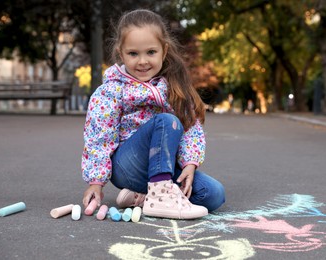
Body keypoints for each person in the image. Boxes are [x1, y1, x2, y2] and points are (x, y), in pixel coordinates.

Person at [81, 9, 225, 219]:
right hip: (127, 165)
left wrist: (190, 164)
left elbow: (190, 128)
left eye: (151, 52)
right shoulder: (112, 90)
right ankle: (160, 196)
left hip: (162, 167)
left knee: (213, 195)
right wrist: (96, 182)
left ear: (164, 51)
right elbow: (99, 138)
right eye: (133, 53)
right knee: (167, 122)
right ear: (121, 53)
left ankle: (140, 196)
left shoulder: (174, 87)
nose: (142, 61)